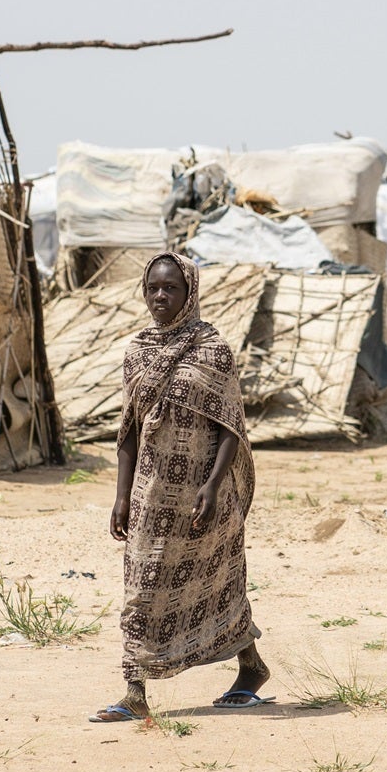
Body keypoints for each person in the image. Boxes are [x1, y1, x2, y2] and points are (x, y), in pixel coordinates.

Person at [90, 252, 272, 722]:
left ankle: (250, 667)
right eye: (152, 288)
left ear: (189, 293)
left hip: (204, 497)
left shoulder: (213, 349)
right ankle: (135, 691)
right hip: (151, 494)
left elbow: (231, 425)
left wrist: (213, 487)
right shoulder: (138, 352)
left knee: (217, 586)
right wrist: (121, 495)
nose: (159, 297)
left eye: (170, 288)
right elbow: (129, 430)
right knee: (141, 587)